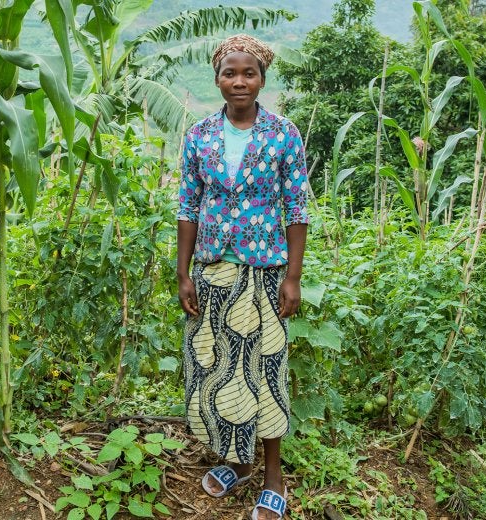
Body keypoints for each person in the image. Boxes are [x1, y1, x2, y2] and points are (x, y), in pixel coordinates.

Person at [176, 34, 308, 520]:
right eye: (229, 73)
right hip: (214, 270)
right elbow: (188, 206)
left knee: (266, 369)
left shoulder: (283, 134)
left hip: (265, 271)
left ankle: (272, 476)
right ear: (217, 78)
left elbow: (296, 207)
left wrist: (292, 277)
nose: (238, 81)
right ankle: (236, 459)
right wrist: (183, 272)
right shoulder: (200, 135)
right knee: (217, 369)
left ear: (262, 79)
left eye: (248, 73)